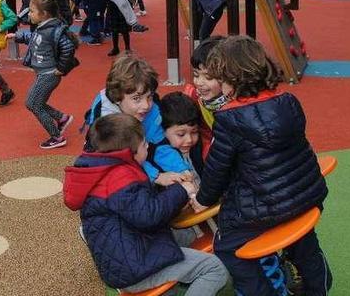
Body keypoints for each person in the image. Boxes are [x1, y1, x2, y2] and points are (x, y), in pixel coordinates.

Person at [190, 35, 331, 296]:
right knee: (303, 241)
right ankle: (318, 287)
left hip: (264, 210)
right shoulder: (288, 102)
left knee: (228, 248)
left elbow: (216, 172)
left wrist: (203, 198)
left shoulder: (229, 119)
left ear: (230, 80)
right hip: (306, 196)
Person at [63, 113, 230, 295]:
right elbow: (149, 216)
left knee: (186, 242)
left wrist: (172, 198)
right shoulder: (120, 178)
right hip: (137, 267)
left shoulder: (103, 171)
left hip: (128, 259)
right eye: (144, 144)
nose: (148, 146)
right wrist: (182, 190)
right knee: (213, 268)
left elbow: (139, 208)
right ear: (129, 154)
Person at [82, 54, 190, 185]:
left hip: (138, 149)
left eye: (149, 96)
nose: (146, 105)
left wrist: (181, 170)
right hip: (107, 160)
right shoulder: (107, 121)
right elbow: (119, 160)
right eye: (136, 98)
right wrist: (156, 177)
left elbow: (159, 145)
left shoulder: (152, 108)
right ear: (117, 98)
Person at [10, 0, 79, 149]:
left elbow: (68, 47)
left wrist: (61, 69)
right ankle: (61, 118)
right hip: (43, 73)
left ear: (44, 14)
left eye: (32, 11)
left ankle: (57, 137)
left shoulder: (53, 29)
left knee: (33, 104)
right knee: (35, 102)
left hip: (49, 75)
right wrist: (17, 36)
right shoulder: (44, 27)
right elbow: (34, 38)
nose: (29, 14)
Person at [157, 92, 206, 183]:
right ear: (163, 131)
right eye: (181, 134)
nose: (189, 140)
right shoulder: (160, 160)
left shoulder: (198, 149)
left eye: (194, 132)